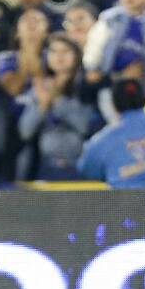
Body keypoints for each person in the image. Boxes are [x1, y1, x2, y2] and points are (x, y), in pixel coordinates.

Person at [18, 32, 94, 180]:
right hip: (46, 166)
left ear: (76, 56)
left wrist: (58, 100)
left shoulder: (88, 85)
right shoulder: (40, 88)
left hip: (81, 165)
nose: (59, 57)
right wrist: (42, 105)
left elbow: (85, 127)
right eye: (53, 51)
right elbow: (25, 132)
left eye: (65, 51)